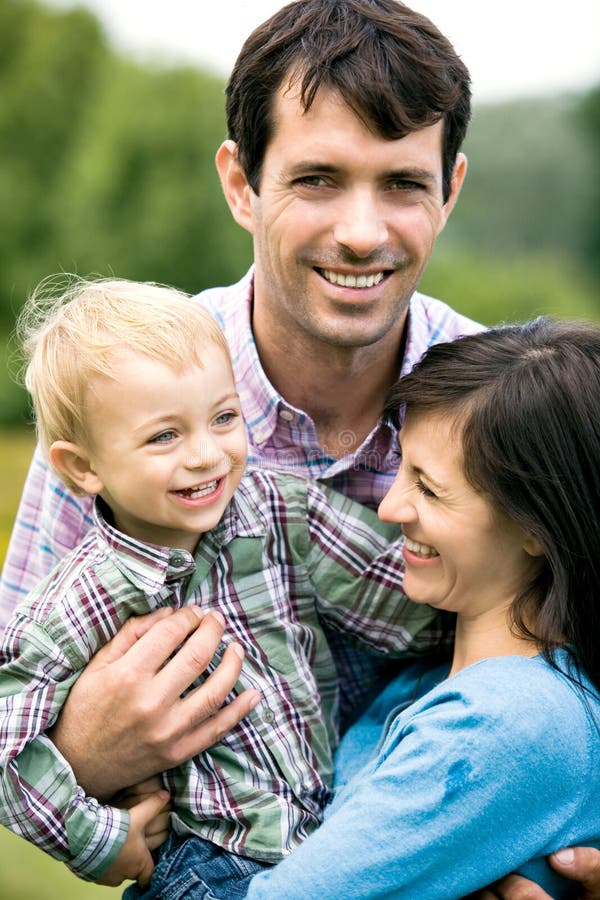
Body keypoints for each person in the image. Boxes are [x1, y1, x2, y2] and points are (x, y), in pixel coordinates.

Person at [1, 0, 598, 894]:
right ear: (241, 183)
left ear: (451, 189)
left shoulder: (510, 407)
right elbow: (16, 695)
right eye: (318, 178)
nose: (361, 231)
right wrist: (88, 750)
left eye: (402, 184)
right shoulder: (126, 401)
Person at [0, 277, 435, 890]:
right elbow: (7, 745)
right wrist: (97, 838)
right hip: (208, 863)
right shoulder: (82, 597)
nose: (207, 454)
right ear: (82, 467)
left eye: (224, 417)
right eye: (165, 435)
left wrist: (513, 608)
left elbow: (394, 597)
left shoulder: (279, 510)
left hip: (328, 831)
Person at [237, 317, 600, 899]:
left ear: (537, 525)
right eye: (402, 466)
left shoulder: (504, 724)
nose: (390, 508)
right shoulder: (426, 679)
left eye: (429, 489)